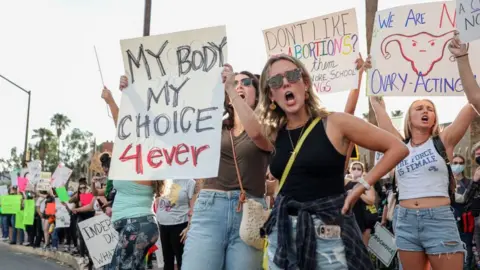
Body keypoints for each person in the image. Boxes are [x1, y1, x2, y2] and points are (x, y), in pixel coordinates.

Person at [257, 54, 409, 269]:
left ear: (306, 84)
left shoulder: (335, 122)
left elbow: (398, 148)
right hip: (282, 232)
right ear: (271, 95)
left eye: (292, 75)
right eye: (275, 81)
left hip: (326, 231)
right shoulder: (274, 133)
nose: (285, 83)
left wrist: (360, 187)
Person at [368, 35, 480, 269]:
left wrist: (463, 59)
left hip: (438, 218)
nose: (425, 111)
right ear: (409, 117)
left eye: (430, 108)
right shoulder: (398, 146)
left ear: (435, 117)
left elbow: (472, 104)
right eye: (419, 108)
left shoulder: (444, 141)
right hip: (405, 221)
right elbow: (378, 108)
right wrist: (370, 74)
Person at [181, 66, 273, 270]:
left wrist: (231, 89)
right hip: (209, 209)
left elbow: (258, 136)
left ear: (258, 94)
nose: (239, 85)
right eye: (235, 82)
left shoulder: (269, 125)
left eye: (246, 83)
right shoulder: (215, 126)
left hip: (249, 212)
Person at [102, 78, 162, 270]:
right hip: (137, 225)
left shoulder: (145, 158)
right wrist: (112, 100)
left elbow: (125, 126)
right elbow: (122, 128)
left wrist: (128, 95)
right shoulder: (136, 156)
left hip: (137, 225)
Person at [155, 179, 195, 270]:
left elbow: (193, 207)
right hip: (163, 224)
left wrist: (189, 226)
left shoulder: (189, 182)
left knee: (181, 259)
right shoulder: (162, 178)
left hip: (180, 225)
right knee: (167, 260)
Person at [451, 154, 474, 270]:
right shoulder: (447, 183)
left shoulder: (470, 183)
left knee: (466, 251)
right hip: (449, 223)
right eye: (455, 163)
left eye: (460, 163)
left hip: (465, 223)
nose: (458, 165)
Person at [344, 161, 376, 245]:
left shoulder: (366, 184)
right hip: (349, 216)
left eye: (359, 169)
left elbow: (371, 200)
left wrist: (358, 192)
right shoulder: (345, 182)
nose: (356, 170)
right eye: (354, 168)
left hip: (363, 217)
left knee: (363, 246)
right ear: (350, 170)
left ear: (362, 171)